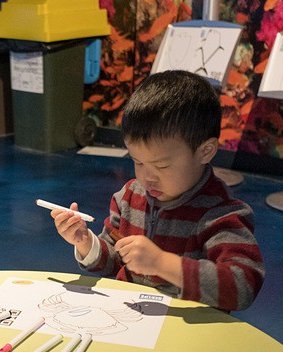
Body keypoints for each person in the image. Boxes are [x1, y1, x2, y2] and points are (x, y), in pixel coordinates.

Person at [49, 70, 264, 311]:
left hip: (186, 336)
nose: (146, 177)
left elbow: (244, 286)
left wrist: (162, 264)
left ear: (205, 151)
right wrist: (86, 243)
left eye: (162, 165)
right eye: (138, 162)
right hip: (129, 320)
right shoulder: (130, 197)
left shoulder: (220, 213)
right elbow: (115, 260)